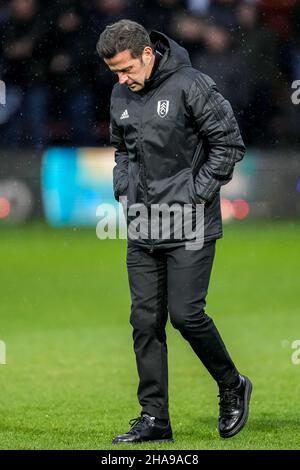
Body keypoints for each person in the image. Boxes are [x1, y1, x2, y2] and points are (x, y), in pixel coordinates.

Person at [97, 19, 252, 444]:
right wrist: (123, 188)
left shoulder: (192, 84)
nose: (122, 80)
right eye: (115, 73)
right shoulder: (120, 93)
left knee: (186, 315)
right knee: (144, 321)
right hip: (143, 224)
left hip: (191, 223)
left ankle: (232, 385)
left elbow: (229, 143)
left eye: (127, 69)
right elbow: (123, 149)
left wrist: (194, 194)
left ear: (147, 53)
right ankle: (154, 419)